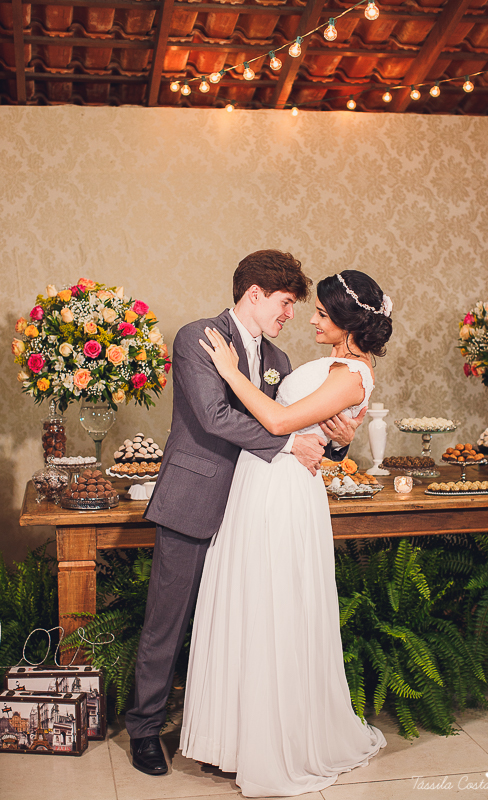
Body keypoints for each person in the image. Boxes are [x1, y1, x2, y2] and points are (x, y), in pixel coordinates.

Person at [126, 251, 363, 775]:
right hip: (193, 503)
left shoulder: (280, 361)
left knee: (240, 626)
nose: (291, 315)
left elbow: (307, 424)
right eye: (285, 303)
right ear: (254, 293)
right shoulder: (197, 338)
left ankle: (230, 739)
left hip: (252, 518)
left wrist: (340, 442)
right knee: (167, 623)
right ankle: (143, 730)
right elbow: (214, 417)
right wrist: (287, 445)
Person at [180, 270, 393, 797]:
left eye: (321, 313)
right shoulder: (333, 367)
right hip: (259, 486)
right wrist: (337, 440)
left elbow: (278, 423)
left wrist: (230, 372)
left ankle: (273, 745)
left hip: (283, 495)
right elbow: (312, 429)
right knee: (249, 606)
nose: (310, 319)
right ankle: (235, 740)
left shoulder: (353, 374)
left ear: (347, 324)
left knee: (274, 609)